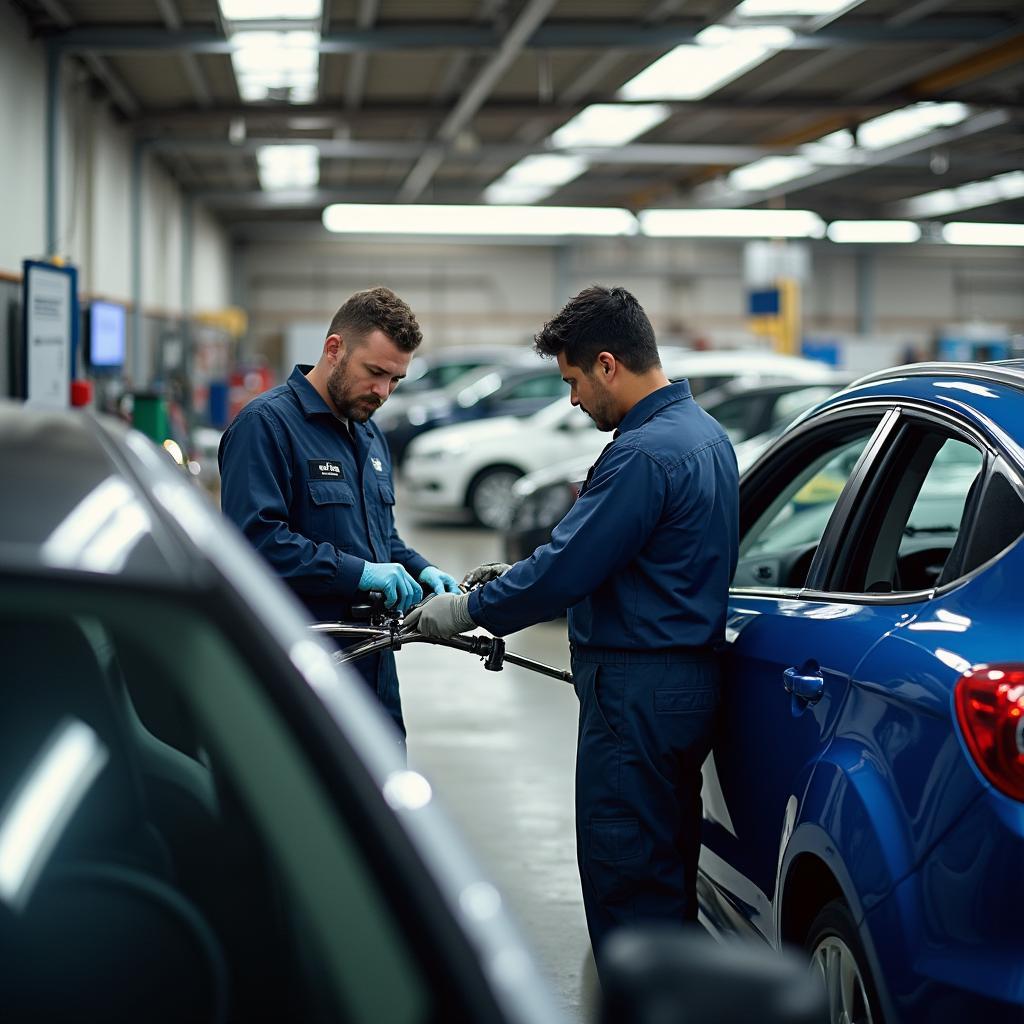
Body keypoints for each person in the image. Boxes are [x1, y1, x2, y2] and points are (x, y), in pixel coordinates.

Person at [405, 285, 739, 963]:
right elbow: (602, 557)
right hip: (682, 687)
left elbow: (565, 571)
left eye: (574, 381)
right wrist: (516, 574)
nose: (573, 400)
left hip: (636, 697)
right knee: (665, 867)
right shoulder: (706, 437)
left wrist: (464, 611)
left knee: (629, 884)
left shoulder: (642, 453)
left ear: (609, 365)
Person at [218, 286, 461, 744]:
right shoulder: (266, 426)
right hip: (302, 664)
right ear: (334, 349)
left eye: (395, 380)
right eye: (375, 373)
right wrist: (361, 573)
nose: (383, 392)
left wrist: (421, 569)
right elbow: (254, 542)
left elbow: (380, 539)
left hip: (373, 660)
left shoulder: (368, 436)